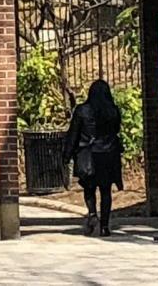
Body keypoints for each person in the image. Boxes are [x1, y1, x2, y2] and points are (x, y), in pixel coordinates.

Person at [62, 79, 124, 236]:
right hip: (108, 154)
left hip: (87, 155)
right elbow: (116, 129)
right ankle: (105, 226)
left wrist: (67, 155)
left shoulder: (82, 110)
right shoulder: (113, 110)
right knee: (106, 191)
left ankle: (92, 213)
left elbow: (73, 134)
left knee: (89, 188)